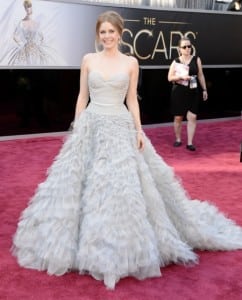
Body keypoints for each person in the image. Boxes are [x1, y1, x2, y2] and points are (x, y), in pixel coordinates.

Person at [12, 11, 242, 290]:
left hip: (121, 127)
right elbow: (82, 96)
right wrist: (78, 126)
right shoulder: (88, 60)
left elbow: (132, 99)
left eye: (111, 31)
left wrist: (139, 130)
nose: (107, 36)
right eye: (103, 32)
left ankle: (121, 245)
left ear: (120, 33)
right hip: (92, 125)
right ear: (98, 34)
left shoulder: (131, 62)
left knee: (122, 186)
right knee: (81, 185)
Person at [168, 36, 208, 151]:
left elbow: (200, 75)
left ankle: (190, 143)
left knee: (193, 116)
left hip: (193, 91)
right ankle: (178, 139)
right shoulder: (176, 61)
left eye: (189, 46)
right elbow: (169, 77)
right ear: (179, 49)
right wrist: (181, 77)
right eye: (184, 47)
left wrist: (204, 89)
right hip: (179, 92)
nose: (187, 48)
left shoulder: (196, 59)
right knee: (178, 117)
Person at [7, 0, 66, 66]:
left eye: (29, 6)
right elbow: (14, 36)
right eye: (26, 7)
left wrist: (38, 44)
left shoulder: (36, 23)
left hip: (36, 49)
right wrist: (21, 44)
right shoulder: (21, 22)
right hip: (25, 49)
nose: (28, 9)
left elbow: (42, 37)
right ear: (25, 9)